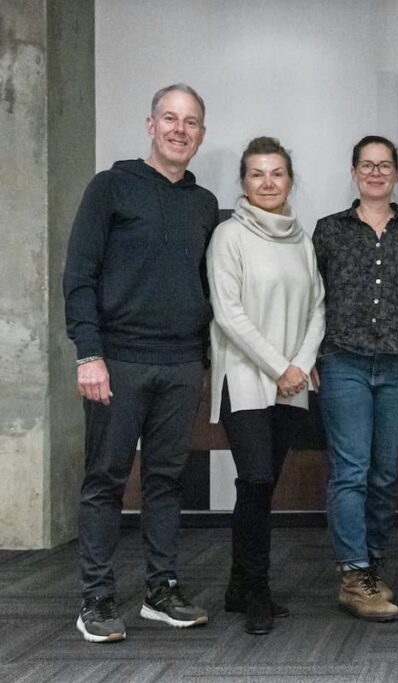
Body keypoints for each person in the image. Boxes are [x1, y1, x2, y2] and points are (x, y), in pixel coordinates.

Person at [63, 83, 218, 643]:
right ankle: (97, 599)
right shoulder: (111, 188)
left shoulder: (203, 204)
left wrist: (201, 358)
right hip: (118, 362)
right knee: (105, 481)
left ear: (202, 133)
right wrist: (89, 353)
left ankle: (161, 590)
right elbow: (78, 277)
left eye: (192, 121)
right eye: (170, 119)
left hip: (180, 364)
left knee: (165, 481)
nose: (180, 129)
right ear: (150, 125)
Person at [206, 136, 325, 634]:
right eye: (257, 173)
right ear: (243, 182)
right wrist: (281, 366)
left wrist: (299, 364)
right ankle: (257, 588)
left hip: (291, 380)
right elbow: (229, 314)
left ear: (290, 181)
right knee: (255, 480)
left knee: (261, 487)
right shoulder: (228, 236)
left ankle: (238, 585)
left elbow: (318, 306)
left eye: (277, 173)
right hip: (247, 378)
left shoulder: (301, 239)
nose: (268, 182)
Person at [314, 135, 398, 622]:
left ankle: (373, 565)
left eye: (385, 165)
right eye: (366, 165)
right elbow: (311, 298)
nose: (375, 173)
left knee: (385, 474)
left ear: (397, 173)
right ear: (353, 172)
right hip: (344, 363)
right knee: (350, 472)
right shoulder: (329, 230)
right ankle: (354, 575)